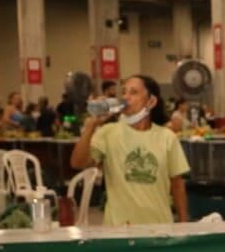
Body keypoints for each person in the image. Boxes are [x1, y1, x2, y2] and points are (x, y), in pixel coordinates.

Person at [70, 75, 189, 224]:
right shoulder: (108, 133)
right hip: (119, 229)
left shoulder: (167, 137)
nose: (126, 98)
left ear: (151, 101)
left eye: (133, 92)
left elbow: (177, 184)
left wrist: (183, 223)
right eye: (124, 92)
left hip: (159, 226)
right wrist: (90, 126)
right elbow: (78, 163)